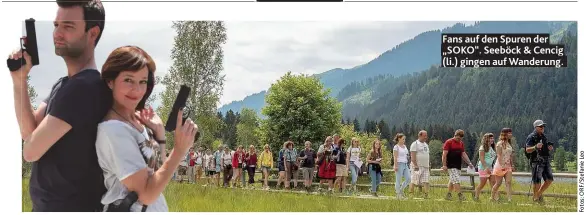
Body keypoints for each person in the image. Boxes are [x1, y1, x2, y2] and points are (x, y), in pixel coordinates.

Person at [10, 0, 109, 211]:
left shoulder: (85, 87)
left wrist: (32, 141)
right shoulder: (65, 84)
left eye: (68, 26)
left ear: (92, 33)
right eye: (56, 25)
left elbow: (30, 152)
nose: (57, 33)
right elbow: (29, 131)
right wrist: (20, 80)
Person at [95, 46, 198, 212]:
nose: (136, 90)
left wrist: (160, 134)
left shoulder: (137, 122)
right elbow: (146, 194)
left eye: (142, 81)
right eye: (128, 80)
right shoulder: (113, 131)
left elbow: (158, 173)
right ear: (110, 81)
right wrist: (179, 150)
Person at [526, 120, 554, 204]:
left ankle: (537, 196)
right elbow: (527, 150)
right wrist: (535, 147)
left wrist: (549, 148)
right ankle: (536, 199)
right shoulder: (531, 137)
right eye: (541, 126)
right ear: (536, 127)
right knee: (537, 181)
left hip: (545, 161)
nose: (543, 128)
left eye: (543, 126)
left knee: (549, 179)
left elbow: (544, 149)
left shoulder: (544, 136)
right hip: (536, 161)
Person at [442, 129, 474, 201]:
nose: (459, 140)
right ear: (455, 135)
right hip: (450, 165)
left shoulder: (461, 143)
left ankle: (448, 195)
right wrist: (444, 165)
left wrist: (469, 163)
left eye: (461, 139)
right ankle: (460, 195)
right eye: (458, 138)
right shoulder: (449, 142)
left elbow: (463, 154)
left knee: (452, 180)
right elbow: (444, 154)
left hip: (458, 165)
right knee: (456, 180)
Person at [491, 128, 515, 202]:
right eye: (509, 133)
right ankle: (492, 197)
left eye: (511, 133)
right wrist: (502, 165)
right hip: (500, 166)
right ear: (505, 134)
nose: (511, 134)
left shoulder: (509, 144)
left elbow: (510, 155)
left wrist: (512, 165)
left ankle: (509, 199)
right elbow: (499, 155)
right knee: (498, 183)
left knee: (508, 182)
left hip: (508, 166)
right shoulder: (499, 143)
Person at [474, 133, 496, 201]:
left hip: (491, 168)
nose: (492, 139)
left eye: (492, 138)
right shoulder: (482, 147)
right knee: (482, 184)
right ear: (486, 139)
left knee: (493, 183)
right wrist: (486, 168)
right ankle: (476, 197)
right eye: (490, 138)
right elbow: (482, 159)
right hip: (483, 168)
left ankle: (493, 198)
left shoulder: (492, 147)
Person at [409, 130, 430, 199]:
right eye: (424, 136)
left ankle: (426, 195)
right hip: (417, 166)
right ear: (420, 136)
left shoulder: (426, 145)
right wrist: (415, 165)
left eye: (426, 136)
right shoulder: (415, 144)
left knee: (426, 181)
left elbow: (427, 155)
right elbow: (413, 156)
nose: (426, 137)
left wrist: (428, 165)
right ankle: (411, 194)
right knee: (414, 180)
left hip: (425, 166)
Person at [393, 133, 411, 200]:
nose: (404, 140)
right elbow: (395, 157)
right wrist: (395, 165)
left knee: (409, 178)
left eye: (404, 139)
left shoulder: (405, 146)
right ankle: (398, 195)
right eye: (403, 139)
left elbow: (406, 155)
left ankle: (401, 190)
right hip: (399, 164)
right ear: (399, 139)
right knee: (398, 180)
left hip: (405, 164)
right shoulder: (396, 147)